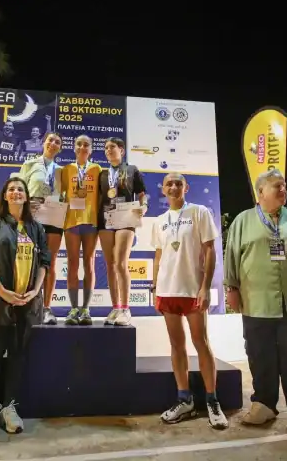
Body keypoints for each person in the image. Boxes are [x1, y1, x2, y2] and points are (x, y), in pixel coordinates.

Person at [223, 168, 287, 437]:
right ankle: (264, 404)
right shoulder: (243, 220)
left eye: (284, 185)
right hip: (257, 300)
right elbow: (231, 255)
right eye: (276, 186)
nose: (283, 189)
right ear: (260, 192)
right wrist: (231, 287)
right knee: (260, 354)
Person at [150, 173, 229, 430]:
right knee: (177, 345)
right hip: (167, 290)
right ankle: (184, 399)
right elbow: (158, 255)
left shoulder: (199, 212)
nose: (173, 187)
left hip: (193, 290)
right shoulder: (159, 221)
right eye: (169, 184)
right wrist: (155, 286)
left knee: (201, 343)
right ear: (163, 189)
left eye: (178, 183)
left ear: (186, 187)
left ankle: (212, 401)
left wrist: (205, 287)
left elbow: (209, 250)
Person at [0, 177, 50, 435]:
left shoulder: (36, 228)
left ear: (26, 196)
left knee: (17, 354)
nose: (16, 192)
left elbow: (45, 262)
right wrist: (2, 292)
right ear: (5, 196)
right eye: (11, 189)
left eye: (20, 189)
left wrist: (35, 291)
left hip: (26, 302)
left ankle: (9, 407)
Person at [98, 137, 148, 326]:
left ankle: (126, 309)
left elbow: (142, 194)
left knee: (120, 263)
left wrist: (144, 206)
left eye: (112, 147)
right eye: (106, 148)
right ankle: (116, 307)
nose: (108, 150)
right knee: (110, 265)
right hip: (106, 219)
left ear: (122, 150)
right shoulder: (102, 174)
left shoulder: (132, 170)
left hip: (126, 217)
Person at [17, 131, 64, 325]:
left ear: (60, 148)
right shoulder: (29, 164)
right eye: (50, 140)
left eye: (57, 142)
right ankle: (26, 305)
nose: (53, 143)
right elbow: (19, 190)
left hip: (54, 216)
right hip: (33, 217)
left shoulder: (62, 171)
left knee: (50, 262)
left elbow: (65, 195)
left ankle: (46, 308)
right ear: (43, 143)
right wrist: (26, 205)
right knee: (28, 261)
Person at [59, 134, 102, 325]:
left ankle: (86, 309)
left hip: (91, 221)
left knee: (89, 264)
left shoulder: (97, 169)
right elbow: (60, 194)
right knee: (72, 263)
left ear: (91, 149)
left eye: (86, 145)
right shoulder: (66, 169)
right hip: (71, 221)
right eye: (79, 144)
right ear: (74, 147)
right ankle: (74, 308)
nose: (83, 147)